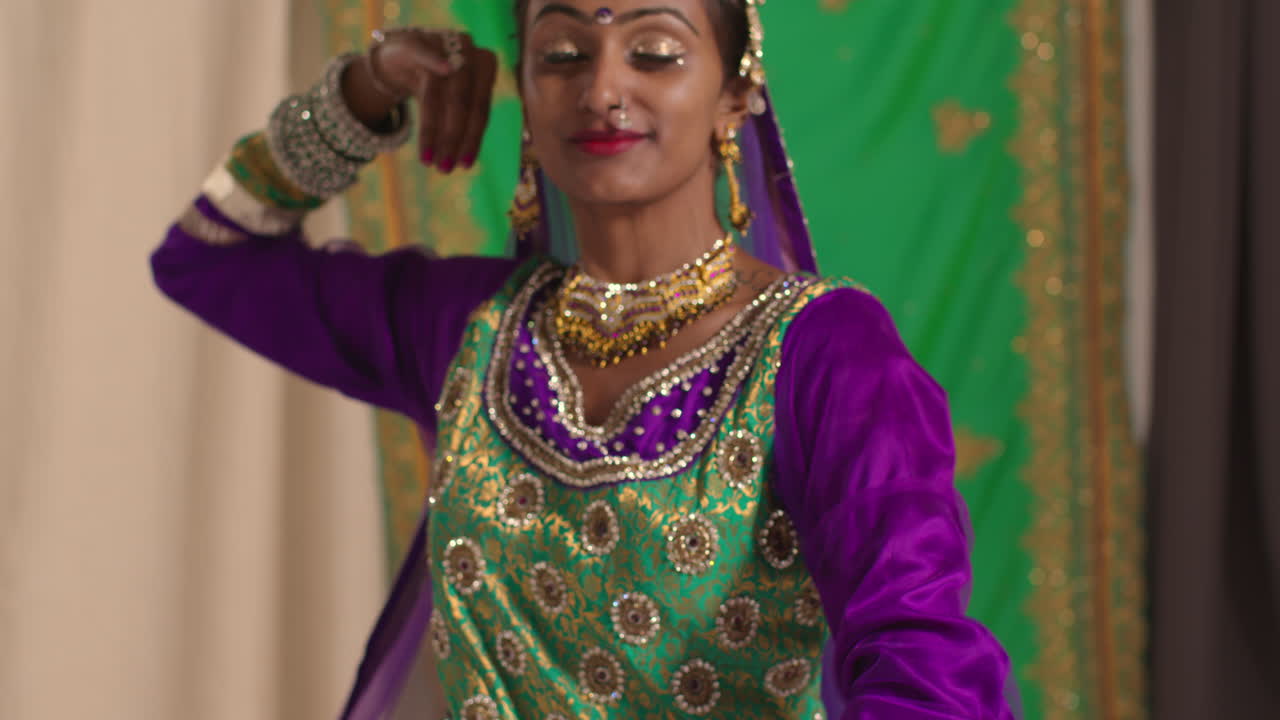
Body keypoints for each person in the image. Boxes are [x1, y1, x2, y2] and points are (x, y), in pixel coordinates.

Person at [151, 1, 1016, 717]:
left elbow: (918, 654)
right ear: (525, 94)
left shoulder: (825, 353)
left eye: (655, 53)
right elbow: (207, 258)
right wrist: (367, 91)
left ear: (734, 96)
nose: (603, 90)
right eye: (563, 54)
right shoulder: (470, 328)